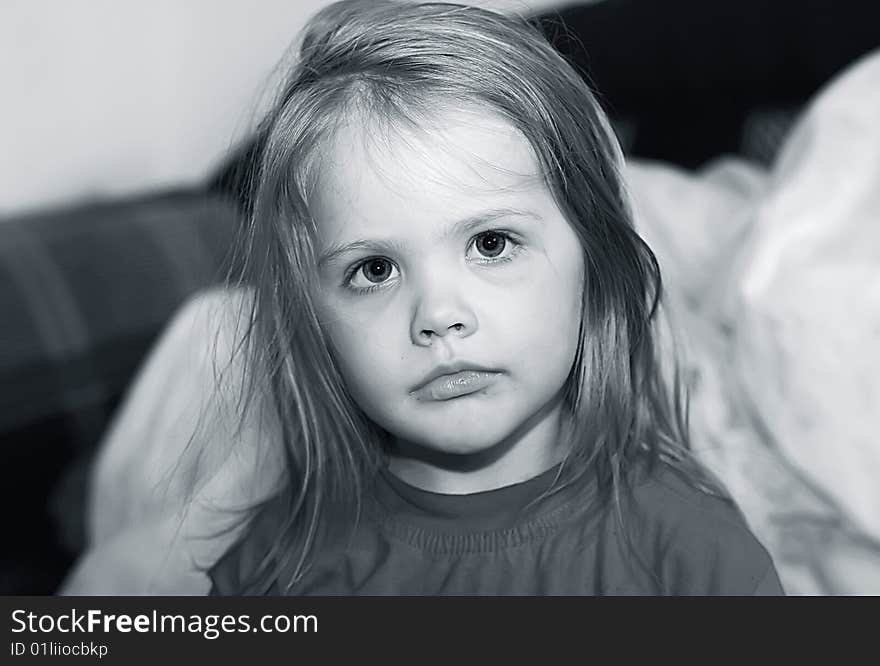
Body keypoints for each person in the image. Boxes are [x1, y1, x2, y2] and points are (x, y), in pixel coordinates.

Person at [203, 0, 784, 595]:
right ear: (312, 319)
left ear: (596, 258)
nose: (438, 316)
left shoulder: (691, 557)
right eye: (375, 270)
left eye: (490, 243)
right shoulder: (274, 570)